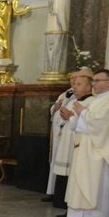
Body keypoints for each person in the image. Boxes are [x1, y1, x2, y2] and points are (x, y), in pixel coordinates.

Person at [65, 69, 109, 217]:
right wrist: (80, 115)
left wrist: (83, 113)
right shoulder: (101, 99)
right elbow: (90, 120)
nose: (94, 84)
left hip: (104, 153)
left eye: (97, 80)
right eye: (94, 80)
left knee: (101, 187)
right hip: (92, 150)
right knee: (90, 184)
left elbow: (100, 123)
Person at [52, 69, 95, 216]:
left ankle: (70, 208)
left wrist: (71, 117)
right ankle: (64, 204)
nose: (74, 87)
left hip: (77, 143)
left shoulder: (92, 102)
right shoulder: (74, 101)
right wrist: (64, 118)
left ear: (89, 87)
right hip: (67, 139)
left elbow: (89, 124)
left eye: (78, 84)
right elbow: (59, 119)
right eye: (74, 84)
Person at [44, 73, 76, 202]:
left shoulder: (82, 96)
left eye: (77, 79)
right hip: (58, 134)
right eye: (72, 78)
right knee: (55, 162)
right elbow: (56, 108)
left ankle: (59, 195)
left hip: (68, 135)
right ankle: (51, 191)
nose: (73, 81)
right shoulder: (65, 93)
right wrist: (54, 108)